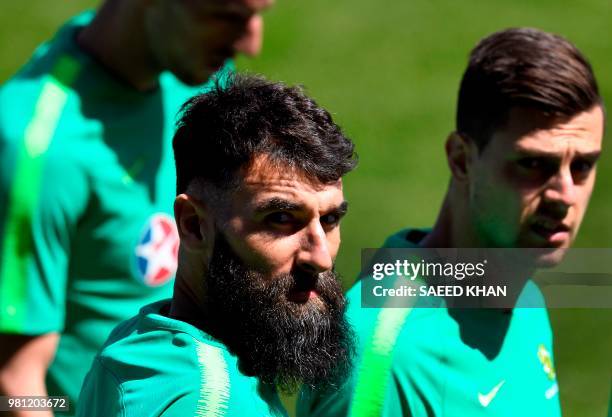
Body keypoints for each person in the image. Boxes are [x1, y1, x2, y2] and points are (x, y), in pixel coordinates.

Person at [298, 27, 604, 417]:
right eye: (532, 164)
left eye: (582, 166)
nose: (565, 195)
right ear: (461, 159)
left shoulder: (525, 298)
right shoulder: (382, 355)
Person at [0, 0, 272, 414]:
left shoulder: (194, 73)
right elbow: (14, 382)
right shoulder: (40, 151)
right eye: (224, 15)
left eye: (258, 14)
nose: (252, 42)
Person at [76, 73, 357, 416]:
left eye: (329, 220)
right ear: (193, 225)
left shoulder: (141, 340)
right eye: (281, 219)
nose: (321, 257)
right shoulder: (211, 404)